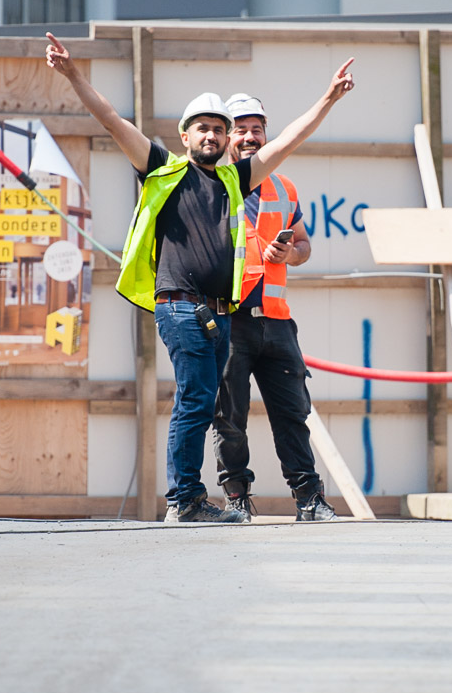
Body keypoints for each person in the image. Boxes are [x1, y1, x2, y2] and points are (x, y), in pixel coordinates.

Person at [44, 33, 357, 523]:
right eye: (202, 129)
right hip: (181, 306)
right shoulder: (162, 170)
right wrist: (73, 74)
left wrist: (328, 99)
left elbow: (289, 141)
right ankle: (184, 501)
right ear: (184, 136)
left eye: (218, 128)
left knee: (208, 402)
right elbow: (110, 119)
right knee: (197, 403)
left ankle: (199, 499)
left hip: (220, 314)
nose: (211, 136)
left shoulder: (236, 180)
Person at [211, 94, 336, 522]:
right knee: (229, 416)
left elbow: (304, 246)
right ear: (228, 135)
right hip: (230, 319)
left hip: (277, 321)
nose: (249, 137)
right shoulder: (213, 182)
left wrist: (290, 255)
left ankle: (309, 500)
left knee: (292, 413)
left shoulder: (284, 187)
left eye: (256, 129)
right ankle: (236, 499)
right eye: (240, 129)